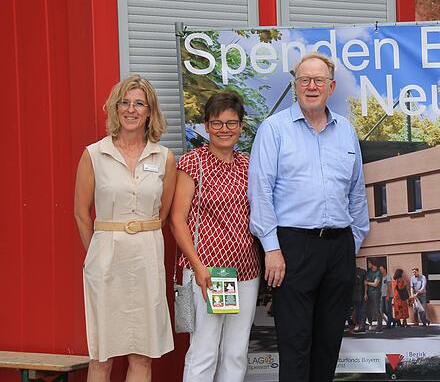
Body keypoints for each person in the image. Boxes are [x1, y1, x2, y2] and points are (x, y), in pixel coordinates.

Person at [248, 52, 370, 382]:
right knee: (295, 342)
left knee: (328, 344)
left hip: (339, 249)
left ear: (330, 87)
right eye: (304, 80)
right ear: (294, 87)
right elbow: (260, 192)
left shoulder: (346, 131)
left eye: (318, 80)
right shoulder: (273, 130)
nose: (311, 86)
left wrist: (351, 243)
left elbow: (357, 193)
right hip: (292, 248)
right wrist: (272, 248)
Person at [74, 74, 175, 381]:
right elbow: (81, 212)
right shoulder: (94, 154)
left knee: (142, 354)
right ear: (115, 109)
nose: (131, 109)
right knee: (102, 355)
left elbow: (165, 212)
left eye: (139, 103)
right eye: (125, 103)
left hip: (146, 257)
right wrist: (96, 255)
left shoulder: (164, 157)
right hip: (106, 258)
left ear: (150, 111)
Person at [169, 92, 261, 382]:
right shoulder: (192, 162)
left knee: (236, 352)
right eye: (217, 123)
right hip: (210, 271)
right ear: (206, 126)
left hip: (246, 271)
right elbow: (177, 219)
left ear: (241, 126)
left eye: (231, 123)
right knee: (205, 350)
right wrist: (197, 267)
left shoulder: (250, 165)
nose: (225, 129)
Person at [364, 260, 383, 333]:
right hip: (369, 293)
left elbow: (375, 284)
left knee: (376, 309)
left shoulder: (379, 273)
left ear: (373, 264)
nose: (368, 264)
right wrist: (365, 293)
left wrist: (367, 283)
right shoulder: (368, 273)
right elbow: (365, 284)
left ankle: (379, 326)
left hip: (376, 293)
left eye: (369, 263)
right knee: (368, 310)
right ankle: (370, 324)